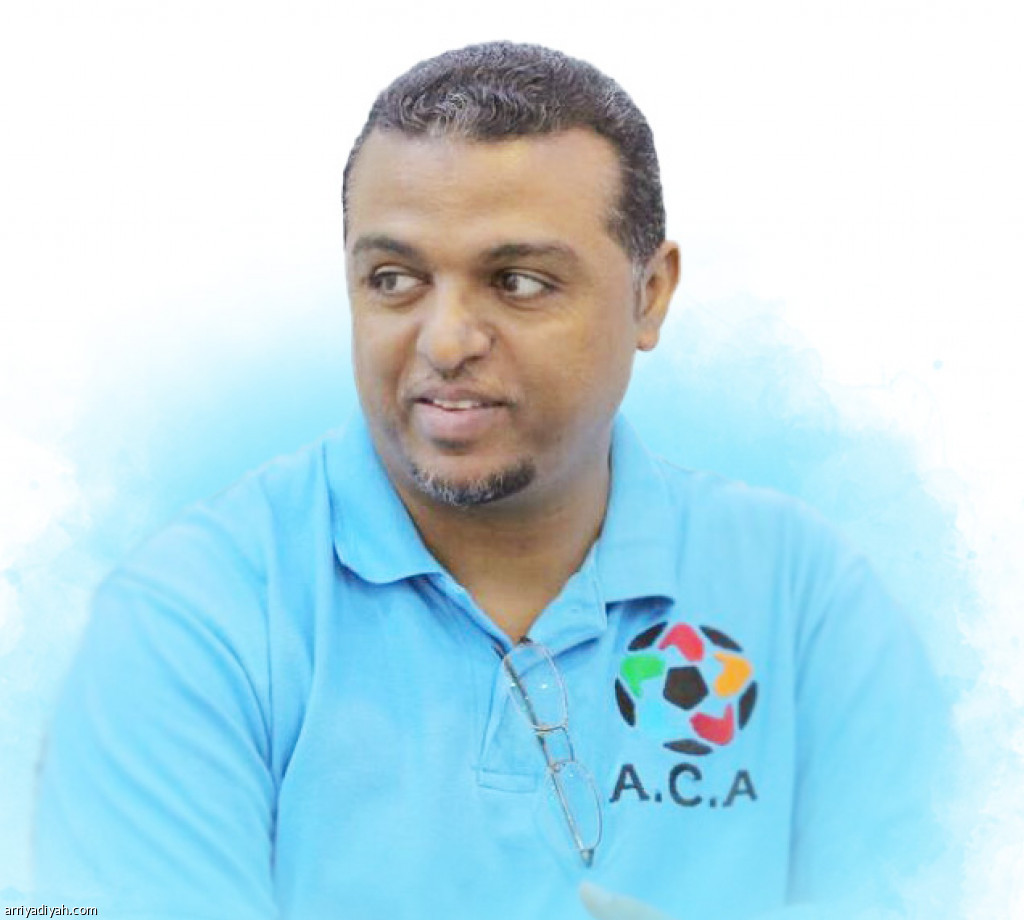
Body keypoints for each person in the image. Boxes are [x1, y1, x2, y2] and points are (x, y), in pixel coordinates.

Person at [33, 41, 947, 920]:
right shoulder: (191, 616)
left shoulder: (804, 595)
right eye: (395, 279)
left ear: (651, 294)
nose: (444, 342)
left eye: (518, 282)